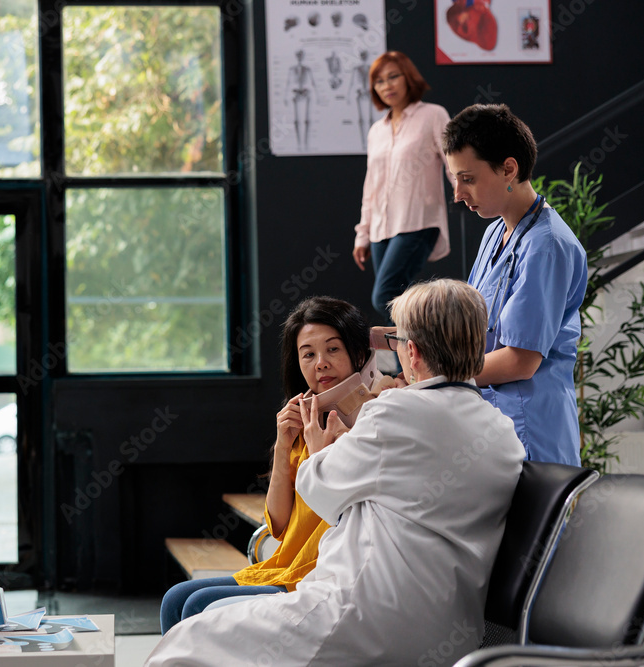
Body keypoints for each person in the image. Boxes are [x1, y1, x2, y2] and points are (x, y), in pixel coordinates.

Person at [146, 279, 525, 666]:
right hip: (452, 628)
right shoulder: (502, 431)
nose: (320, 363)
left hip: (365, 614)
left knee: (188, 640)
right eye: (307, 354)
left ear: (411, 351)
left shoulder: (393, 412)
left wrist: (319, 450)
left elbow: (321, 492)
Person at [159, 296, 372, 634]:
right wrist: (284, 443)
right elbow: (278, 523)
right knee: (175, 598)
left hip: (317, 575)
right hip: (283, 564)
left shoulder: (371, 422)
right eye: (308, 354)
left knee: (197, 605)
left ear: (359, 354)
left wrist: (326, 452)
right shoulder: (304, 419)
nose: (321, 363)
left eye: (333, 349)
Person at [443, 104, 587, 465]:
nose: (458, 193)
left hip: (532, 430)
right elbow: (472, 323)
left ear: (509, 168)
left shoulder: (547, 245)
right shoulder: (495, 232)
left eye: (468, 179)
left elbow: (521, 361)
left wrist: (436, 374)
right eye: (454, 180)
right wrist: (408, 337)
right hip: (492, 423)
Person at [353, 51, 453, 328]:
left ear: (408, 77)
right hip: (381, 229)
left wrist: (464, 188)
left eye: (393, 76)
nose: (387, 85)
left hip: (417, 222)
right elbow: (371, 186)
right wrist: (362, 234)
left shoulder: (433, 115)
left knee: (384, 297)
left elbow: (452, 159)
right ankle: (407, 370)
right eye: (379, 81)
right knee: (397, 299)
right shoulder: (376, 131)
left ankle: (426, 352)